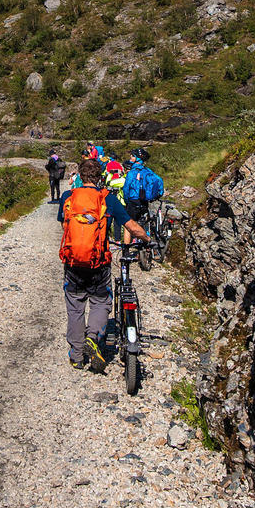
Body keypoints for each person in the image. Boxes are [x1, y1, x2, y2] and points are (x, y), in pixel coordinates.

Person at [58, 158, 145, 373]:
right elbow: (131, 226)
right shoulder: (108, 199)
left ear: (80, 176)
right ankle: (93, 336)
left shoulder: (68, 197)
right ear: (99, 178)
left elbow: (64, 226)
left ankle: (77, 356)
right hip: (99, 263)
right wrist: (146, 238)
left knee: (75, 307)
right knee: (101, 302)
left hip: (73, 263)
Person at [121, 147, 165, 224]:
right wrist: (158, 194)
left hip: (133, 201)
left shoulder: (132, 172)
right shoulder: (148, 171)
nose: (131, 156)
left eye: (133, 155)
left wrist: (126, 201)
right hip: (144, 201)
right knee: (143, 223)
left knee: (128, 226)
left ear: (137, 158)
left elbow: (126, 189)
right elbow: (159, 180)